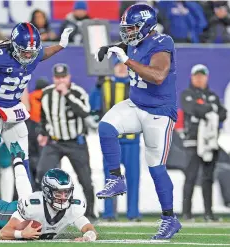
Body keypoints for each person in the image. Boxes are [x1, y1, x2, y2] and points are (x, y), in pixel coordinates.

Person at [95, 4, 181, 239]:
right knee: (105, 127)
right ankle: (115, 178)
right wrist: (109, 47)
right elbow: (130, 44)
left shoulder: (163, 42)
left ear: (147, 27)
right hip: (136, 105)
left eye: (132, 28)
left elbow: (158, 75)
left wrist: (126, 61)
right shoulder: (136, 41)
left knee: (156, 168)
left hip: (159, 113)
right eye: (126, 28)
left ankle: (169, 218)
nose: (128, 33)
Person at [0, 121, 98, 241]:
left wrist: (88, 237)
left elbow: (88, 229)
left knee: (25, 194)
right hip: (8, 213)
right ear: (48, 192)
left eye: (66, 192)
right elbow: (3, 233)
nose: (64, 197)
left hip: (26, 205)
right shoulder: (32, 205)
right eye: (59, 193)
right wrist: (21, 234)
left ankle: (11, 156)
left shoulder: (74, 207)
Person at [0, 22, 73, 183]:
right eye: (24, 52)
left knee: (21, 158)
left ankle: (26, 200)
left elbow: (43, 53)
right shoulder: (0, 56)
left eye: (31, 52)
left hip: (13, 110)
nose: (28, 56)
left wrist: (61, 46)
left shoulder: (34, 54)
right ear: (14, 46)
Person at [36, 63, 96, 220]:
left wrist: (67, 94)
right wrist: (43, 133)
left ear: (69, 77)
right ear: (53, 78)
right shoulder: (46, 93)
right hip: (55, 142)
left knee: (85, 179)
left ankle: (90, 213)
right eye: (57, 77)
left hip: (76, 142)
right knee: (42, 172)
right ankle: (43, 211)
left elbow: (84, 112)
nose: (61, 80)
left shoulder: (78, 92)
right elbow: (43, 115)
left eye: (63, 77)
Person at [89, 58, 141, 221]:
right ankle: (109, 212)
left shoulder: (137, 86)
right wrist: (97, 89)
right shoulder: (104, 84)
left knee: (133, 177)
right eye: (118, 66)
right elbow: (93, 106)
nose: (121, 69)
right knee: (111, 177)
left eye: (124, 66)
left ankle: (133, 213)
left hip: (132, 140)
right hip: (111, 140)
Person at [181, 64, 227, 221]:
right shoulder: (187, 94)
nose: (199, 79)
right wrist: (209, 108)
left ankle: (209, 213)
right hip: (193, 141)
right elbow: (192, 108)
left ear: (207, 77)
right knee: (191, 177)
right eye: (197, 76)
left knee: (208, 178)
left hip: (210, 142)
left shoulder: (213, 95)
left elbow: (223, 113)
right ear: (192, 77)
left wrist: (205, 108)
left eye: (202, 76)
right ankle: (186, 213)